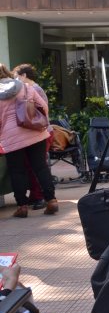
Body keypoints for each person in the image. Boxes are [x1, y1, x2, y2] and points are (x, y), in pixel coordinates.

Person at [0, 64, 58, 218]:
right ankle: (51, 200)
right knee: (40, 167)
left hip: (11, 138)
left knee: (17, 171)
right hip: (35, 133)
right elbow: (43, 107)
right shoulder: (25, 87)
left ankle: (22, 206)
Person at [13, 64, 50, 211]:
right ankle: (40, 196)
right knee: (37, 165)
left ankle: (38, 196)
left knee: (35, 166)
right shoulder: (33, 89)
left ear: (24, 76)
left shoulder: (33, 89)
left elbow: (42, 110)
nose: (15, 80)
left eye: (17, 77)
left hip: (38, 130)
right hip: (38, 130)